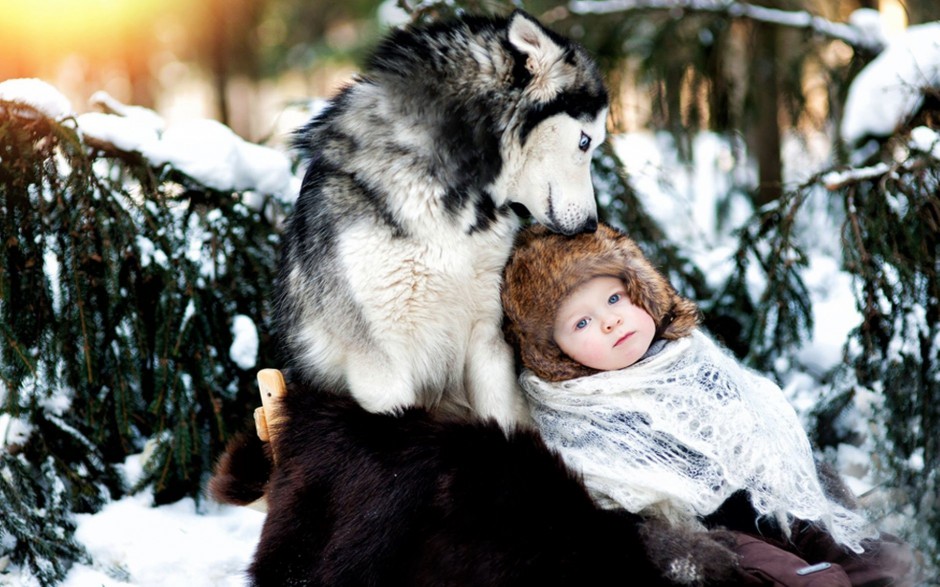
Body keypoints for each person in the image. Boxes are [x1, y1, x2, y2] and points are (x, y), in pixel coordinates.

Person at [500, 223, 915, 587]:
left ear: (642, 289)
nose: (610, 321)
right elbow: (612, 508)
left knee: (873, 557)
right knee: (803, 578)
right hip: (704, 534)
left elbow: (757, 425)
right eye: (581, 323)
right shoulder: (574, 412)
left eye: (614, 299)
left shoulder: (689, 356)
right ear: (552, 352)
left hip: (765, 501)